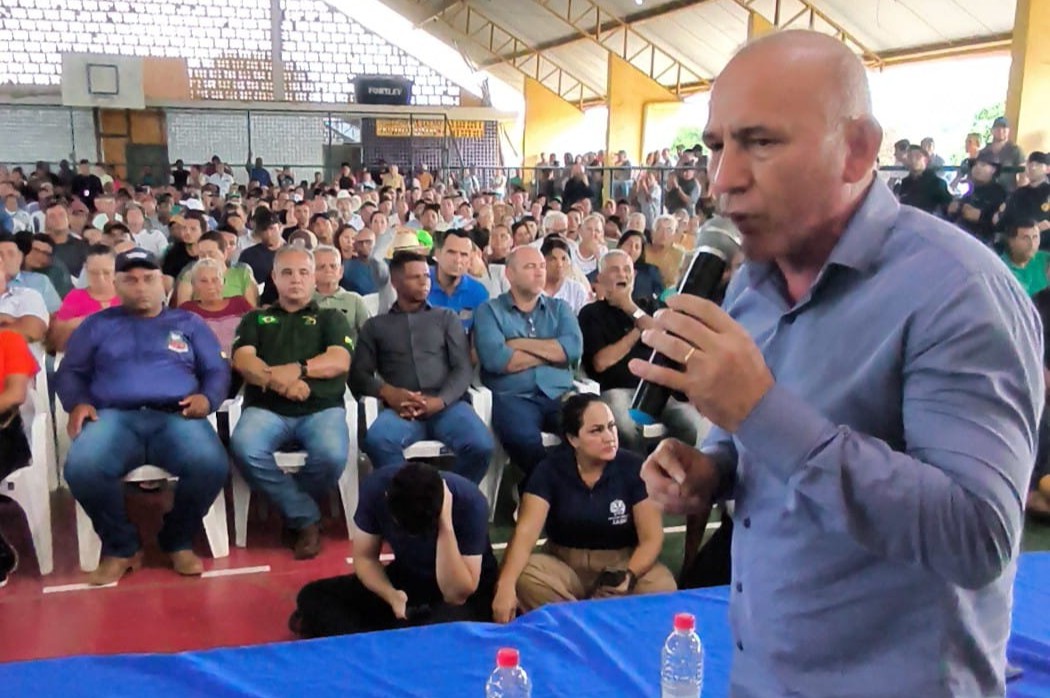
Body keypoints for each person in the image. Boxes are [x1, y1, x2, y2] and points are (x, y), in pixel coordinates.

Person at [633, 30, 1042, 697]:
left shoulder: (957, 292)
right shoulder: (750, 287)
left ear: (857, 151)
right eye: (716, 147)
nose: (723, 179)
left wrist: (760, 412)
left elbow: (978, 534)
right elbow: (758, 443)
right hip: (763, 674)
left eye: (760, 142)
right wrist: (715, 466)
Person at [55, 248, 230, 585]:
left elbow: (216, 370)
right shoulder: (97, 325)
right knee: (82, 467)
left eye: (148, 279)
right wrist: (77, 402)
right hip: (113, 416)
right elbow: (70, 372)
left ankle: (176, 540)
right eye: (130, 280)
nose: (140, 287)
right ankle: (122, 546)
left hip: (177, 415)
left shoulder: (188, 323)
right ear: (117, 285)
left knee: (211, 465)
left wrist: (208, 399)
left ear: (162, 282)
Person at [492, 394, 675, 621]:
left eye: (611, 427)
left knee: (662, 586)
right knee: (525, 576)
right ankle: (591, 621)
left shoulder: (635, 468)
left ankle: (576, 620)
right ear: (573, 439)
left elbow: (652, 538)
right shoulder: (549, 470)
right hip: (564, 566)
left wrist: (628, 576)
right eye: (596, 431)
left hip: (621, 565)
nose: (609, 437)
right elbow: (525, 534)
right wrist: (505, 585)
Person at [230, 246, 354, 560]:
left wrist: (298, 369)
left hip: (321, 408)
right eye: (287, 272)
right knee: (244, 448)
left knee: (331, 455)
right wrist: (280, 384)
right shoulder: (256, 318)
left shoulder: (331, 318)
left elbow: (339, 360)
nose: (295, 279)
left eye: (303, 272)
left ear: (314, 278)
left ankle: (294, 514)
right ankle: (306, 518)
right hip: (266, 408)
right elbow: (244, 361)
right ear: (274, 278)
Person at [291, 462, 498, 637]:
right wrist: (390, 595)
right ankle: (393, 637)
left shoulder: (470, 502)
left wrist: (446, 525)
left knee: (445, 631)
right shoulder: (376, 488)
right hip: (408, 578)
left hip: (461, 589)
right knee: (312, 596)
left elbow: (456, 594)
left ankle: (390, 637)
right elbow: (365, 558)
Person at [352, 252, 494, 484]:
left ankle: (448, 499)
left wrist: (440, 401)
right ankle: (410, 503)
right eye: (415, 277)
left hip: (446, 405)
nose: (424, 282)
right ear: (396, 282)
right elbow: (359, 375)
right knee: (378, 442)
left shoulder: (446, 318)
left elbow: (462, 368)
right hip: (402, 409)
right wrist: (389, 393)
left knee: (481, 445)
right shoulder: (376, 326)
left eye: (427, 276)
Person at [475, 246, 583, 485]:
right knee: (523, 441)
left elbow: (573, 350)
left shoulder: (560, 308)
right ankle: (550, 491)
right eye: (530, 266)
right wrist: (553, 352)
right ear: (509, 274)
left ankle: (540, 490)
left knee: (585, 431)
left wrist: (519, 344)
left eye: (541, 266)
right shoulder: (489, 311)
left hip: (559, 393)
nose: (539, 272)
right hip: (513, 396)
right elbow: (498, 360)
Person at [580, 250, 705, 453]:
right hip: (618, 390)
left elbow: (662, 334)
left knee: (690, 424)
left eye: (627, 269)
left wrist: (629, 307)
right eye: (614, 270)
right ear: (600, 278)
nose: (622, 274)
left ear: (634, 276)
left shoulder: (653, 305)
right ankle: (636, 478)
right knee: (623, 427)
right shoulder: (592, 313)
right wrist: (637, 331)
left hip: (659, 390)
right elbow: (602, 362)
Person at [47, 245, 121, 352]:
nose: (101, 279)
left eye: (106, 272)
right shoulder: (75, 298)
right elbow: (57, 342)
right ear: (86, 269)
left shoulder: (127, 297)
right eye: (94, 273)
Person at [179, 258, 253, 359]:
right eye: (203, 281)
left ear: (223, 282)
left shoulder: (240, 303)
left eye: (215, 280)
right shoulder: (187, 310)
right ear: (194, 285)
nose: (210, 286)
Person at [173, 231, 258, 307]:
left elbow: (252, 310)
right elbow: (183, 312)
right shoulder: (190, 275)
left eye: (212, 254)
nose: (207, 259)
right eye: (202, 255)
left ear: (224, 254)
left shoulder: (242, 273)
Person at [428, 229, 489, 332]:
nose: (458, 260)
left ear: (470, 260)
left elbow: (481, 338)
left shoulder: (478, 293)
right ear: (437, 254)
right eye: (451, 252)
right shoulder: (418, 283)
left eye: (464, 254)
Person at [946, 151, 1007, 247]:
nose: (977, 167)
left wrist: (981, 216)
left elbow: (1001, 224)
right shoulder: (970, 191)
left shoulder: (999, 193)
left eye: (983, 165)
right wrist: (953, 210)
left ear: (993, 170)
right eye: (975, 164)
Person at [312, 245, 369, 346]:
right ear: (311, 272)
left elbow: (370, 337)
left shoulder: (355, 300)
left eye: (333, 266)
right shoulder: (304, 301)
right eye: (321, 267)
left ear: (341, 271)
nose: (328, 270)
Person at [0, 233, 60, 314]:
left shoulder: (41, 282)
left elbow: (56, 316)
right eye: (0, 254)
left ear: (20, 257)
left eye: (11, 254)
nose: (5, 259)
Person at [895, 144, 952, 215]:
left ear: (926, 160)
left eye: (917, 156)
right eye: (910, 156)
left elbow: (949, 209)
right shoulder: (904, 183)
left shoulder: (937, 184)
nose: (913, 160)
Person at [616, 230, 664, 313]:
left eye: (637, 247)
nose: (632, 249)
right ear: (620, 245)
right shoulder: (608, 267)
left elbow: (660, 296)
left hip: (639, 314)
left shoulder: (651, 271)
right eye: (629, 245)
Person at [540, 237, 588, 314]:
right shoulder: (533, 289)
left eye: (564, 259)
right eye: (553, 259)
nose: (559, 264)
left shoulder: (576, 290)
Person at [1000, 220, 1048, 296]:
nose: (1032, 244)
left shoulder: (1044, 259)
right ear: (1011, 241)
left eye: (1035, 237)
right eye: (1026, 238)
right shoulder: (1000, 268)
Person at [978, 116, 1025, 192]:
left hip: (1008, 195)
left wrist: (1019, 195)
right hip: (986, 194)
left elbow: (1023, 175)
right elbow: (977, 174)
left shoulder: (1015, 150)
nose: (1000, 131)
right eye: (997, 128)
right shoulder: (984, 152)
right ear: (992, 131)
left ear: (1008, 131)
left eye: (1004, 128)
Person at [23, 233, 73, 300]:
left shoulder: (56, 275)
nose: (39, 256)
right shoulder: (12, 269)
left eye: (45, 253)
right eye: (35, 250)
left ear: (51, 259)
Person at [646, 214, 685, 288]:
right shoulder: (642, 251)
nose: (664, 234)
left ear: (674, 234)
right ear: (652, 233)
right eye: (659, 229)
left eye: (669, 230)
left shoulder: (680, 254)